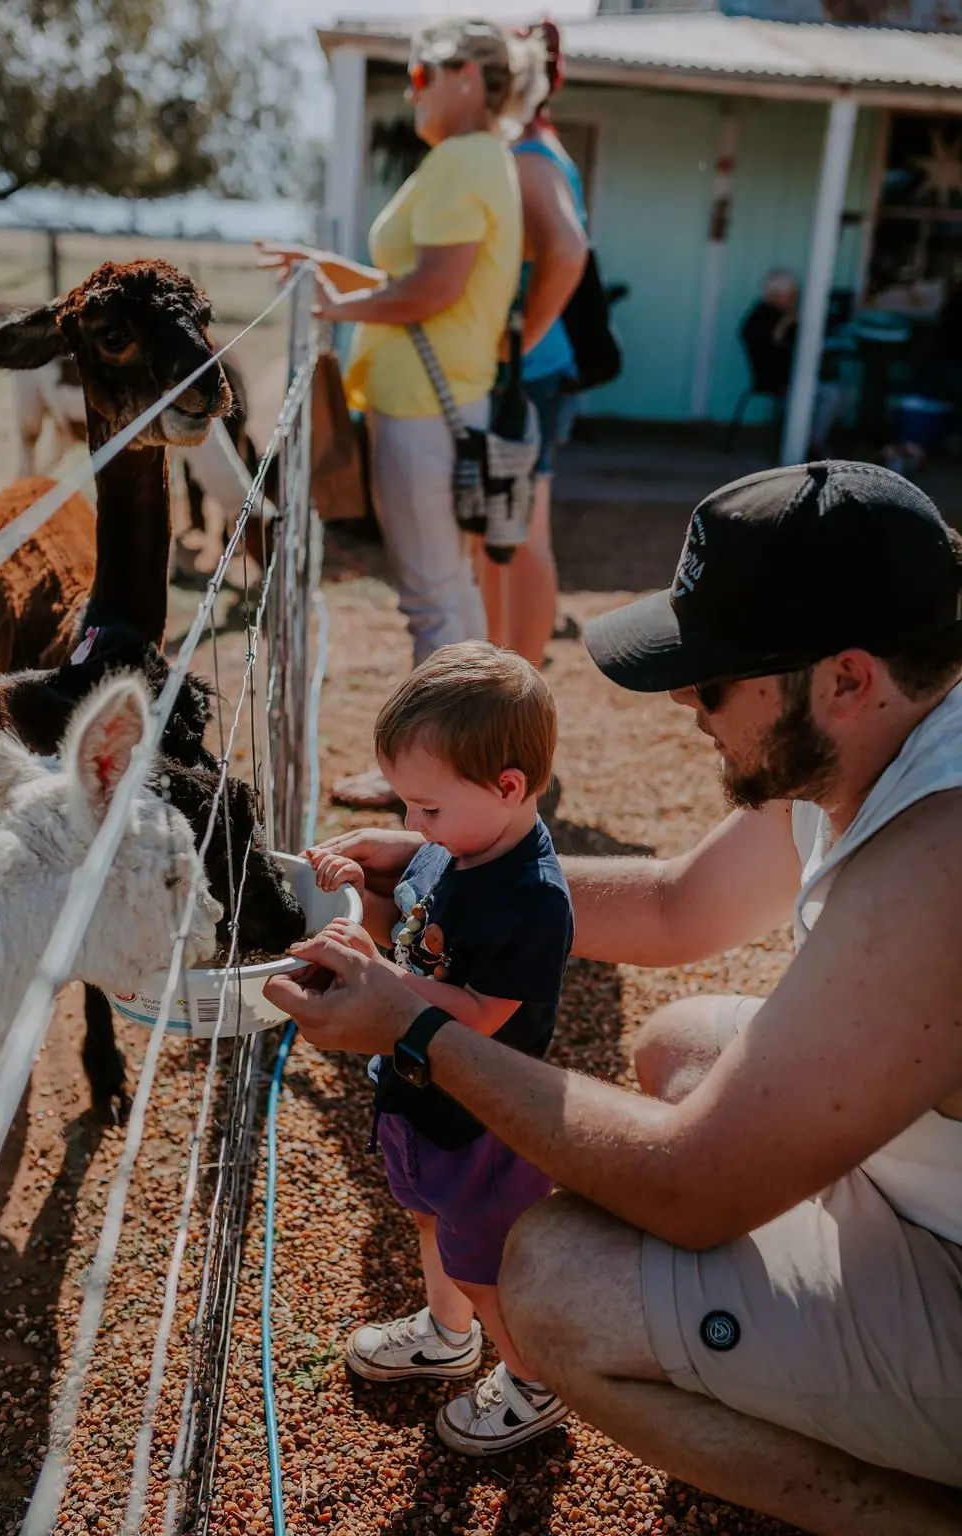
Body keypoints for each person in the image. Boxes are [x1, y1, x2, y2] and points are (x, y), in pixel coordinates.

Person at [267, 461, 962, 1530]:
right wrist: (439, 863)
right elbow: (681, 909)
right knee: (683, 1043)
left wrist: (410, 1022)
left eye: (712, 677)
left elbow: (694, 1189)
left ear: (847, 677)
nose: (684, 701)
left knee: (552, 1281)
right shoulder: (883, 735)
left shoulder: (935, 860)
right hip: (927, 1195)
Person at [303, 641, 574, 1454]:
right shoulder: (457, 844)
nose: (412, 826)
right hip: (419, 1090)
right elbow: (419, 929)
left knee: (484, 1262)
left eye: (425, 808)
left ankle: (533, 1383)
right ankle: (447, 1335)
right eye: (404, 807)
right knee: (430, 1222)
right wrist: (375, 878)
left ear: (508, 788)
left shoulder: (530, 898)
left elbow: (483, 1013)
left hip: (481, 1115)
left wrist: (378, 974)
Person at [259, 18, 523, 809]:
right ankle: (471, 746)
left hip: (418, 410)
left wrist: (339, 301)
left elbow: (434, 290)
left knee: (431, 597)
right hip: (438, 403)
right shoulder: (483, 161)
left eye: (420, 74)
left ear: (468, 76)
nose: (412, 87)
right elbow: (416, 276)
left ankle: (433, 769)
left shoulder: (459, 161)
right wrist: (332, 272)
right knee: (450, 590)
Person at [477, 21, 588, 668]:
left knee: (514, 539)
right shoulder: (545, 148)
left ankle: (510, 683)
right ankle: (517, 681)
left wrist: (514, 347)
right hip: (541, 372)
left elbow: (568, 253)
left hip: (526, 376)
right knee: (521, 534)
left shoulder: (525, 155)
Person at [740, 268, 853, 456]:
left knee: (846, 393)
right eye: (790, 294)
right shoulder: (759, 317)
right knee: (830, 394)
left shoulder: (789, 315)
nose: (794, 298)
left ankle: (811, 440)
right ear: (775, 294)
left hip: (799, 375)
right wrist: (785, 325)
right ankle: (810, 444)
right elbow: (771, 348)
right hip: (776, 379)